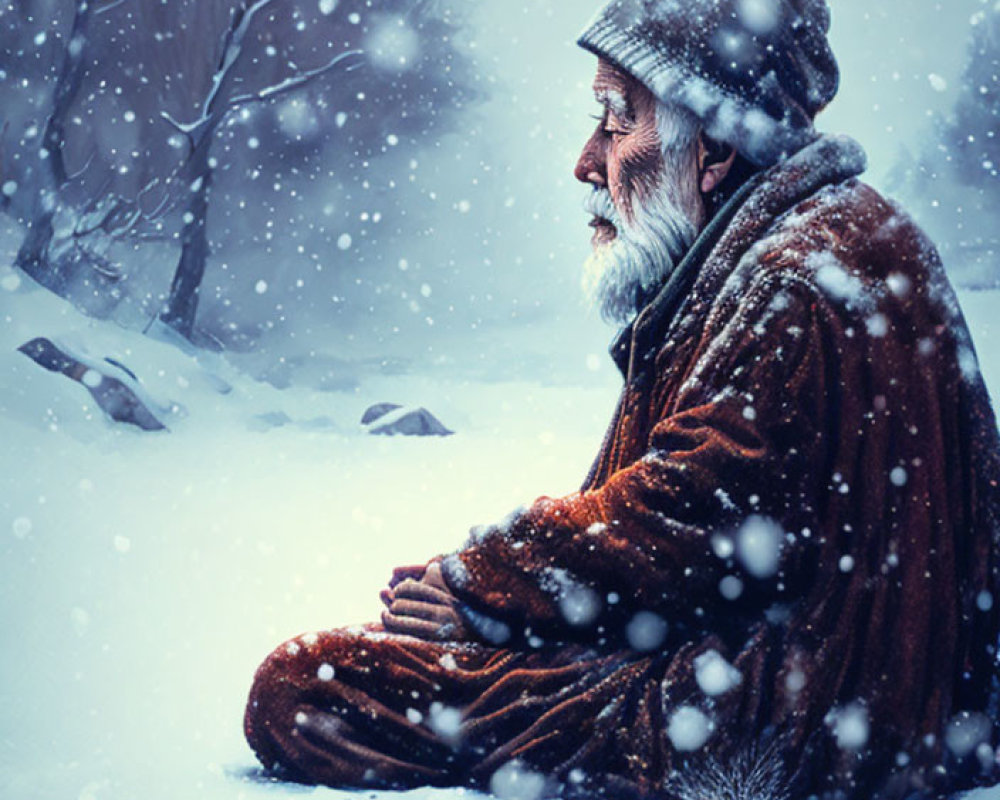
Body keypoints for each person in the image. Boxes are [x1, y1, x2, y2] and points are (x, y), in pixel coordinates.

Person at [244, 0, 1000, 797]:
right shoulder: (834, 237)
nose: (585, 160)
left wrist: (485, 587)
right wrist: (505, 597)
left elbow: (694, 517)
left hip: (774, 724)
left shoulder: (796, 279)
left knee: (304, 688)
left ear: (711, 144)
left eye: (616, 120)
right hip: (885, 712)